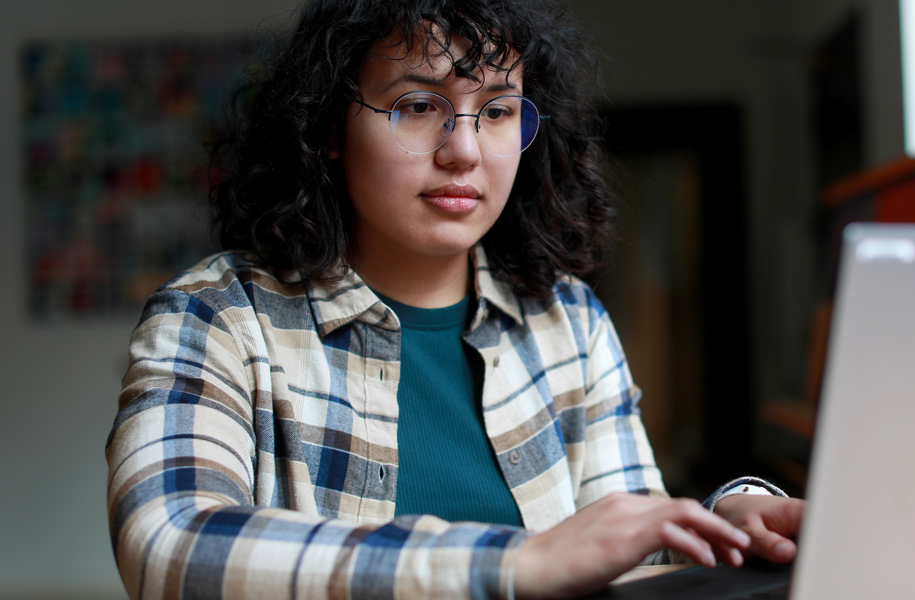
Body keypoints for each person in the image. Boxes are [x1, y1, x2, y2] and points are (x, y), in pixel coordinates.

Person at [105, 0, 805, 598]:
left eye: (496, 110)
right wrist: (515, 562)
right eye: (417, 105)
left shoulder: (569, 321)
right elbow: (170, 547)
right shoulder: (216, 318)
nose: (464, 150)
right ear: (325, 131)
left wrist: (724, 520)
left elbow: (627, 549)